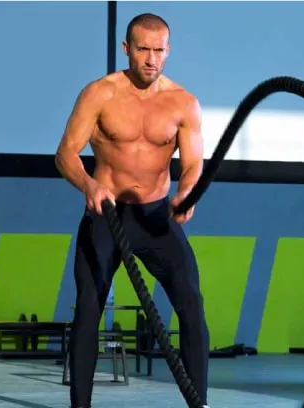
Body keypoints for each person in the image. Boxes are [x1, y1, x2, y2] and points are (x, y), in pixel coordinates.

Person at [54, 13, 210, 408]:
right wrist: (88, 184)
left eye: (159, 50)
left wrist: (186, 193)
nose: (151, 59)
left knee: (191, 303)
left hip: (155, 218)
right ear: (127, 49)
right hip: (107, 216)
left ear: (168, 50)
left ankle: (200, 403)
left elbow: (193, 163)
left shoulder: (183, 102)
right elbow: (65, 153)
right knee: (89, 308)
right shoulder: (100, 94)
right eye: (143, 49)